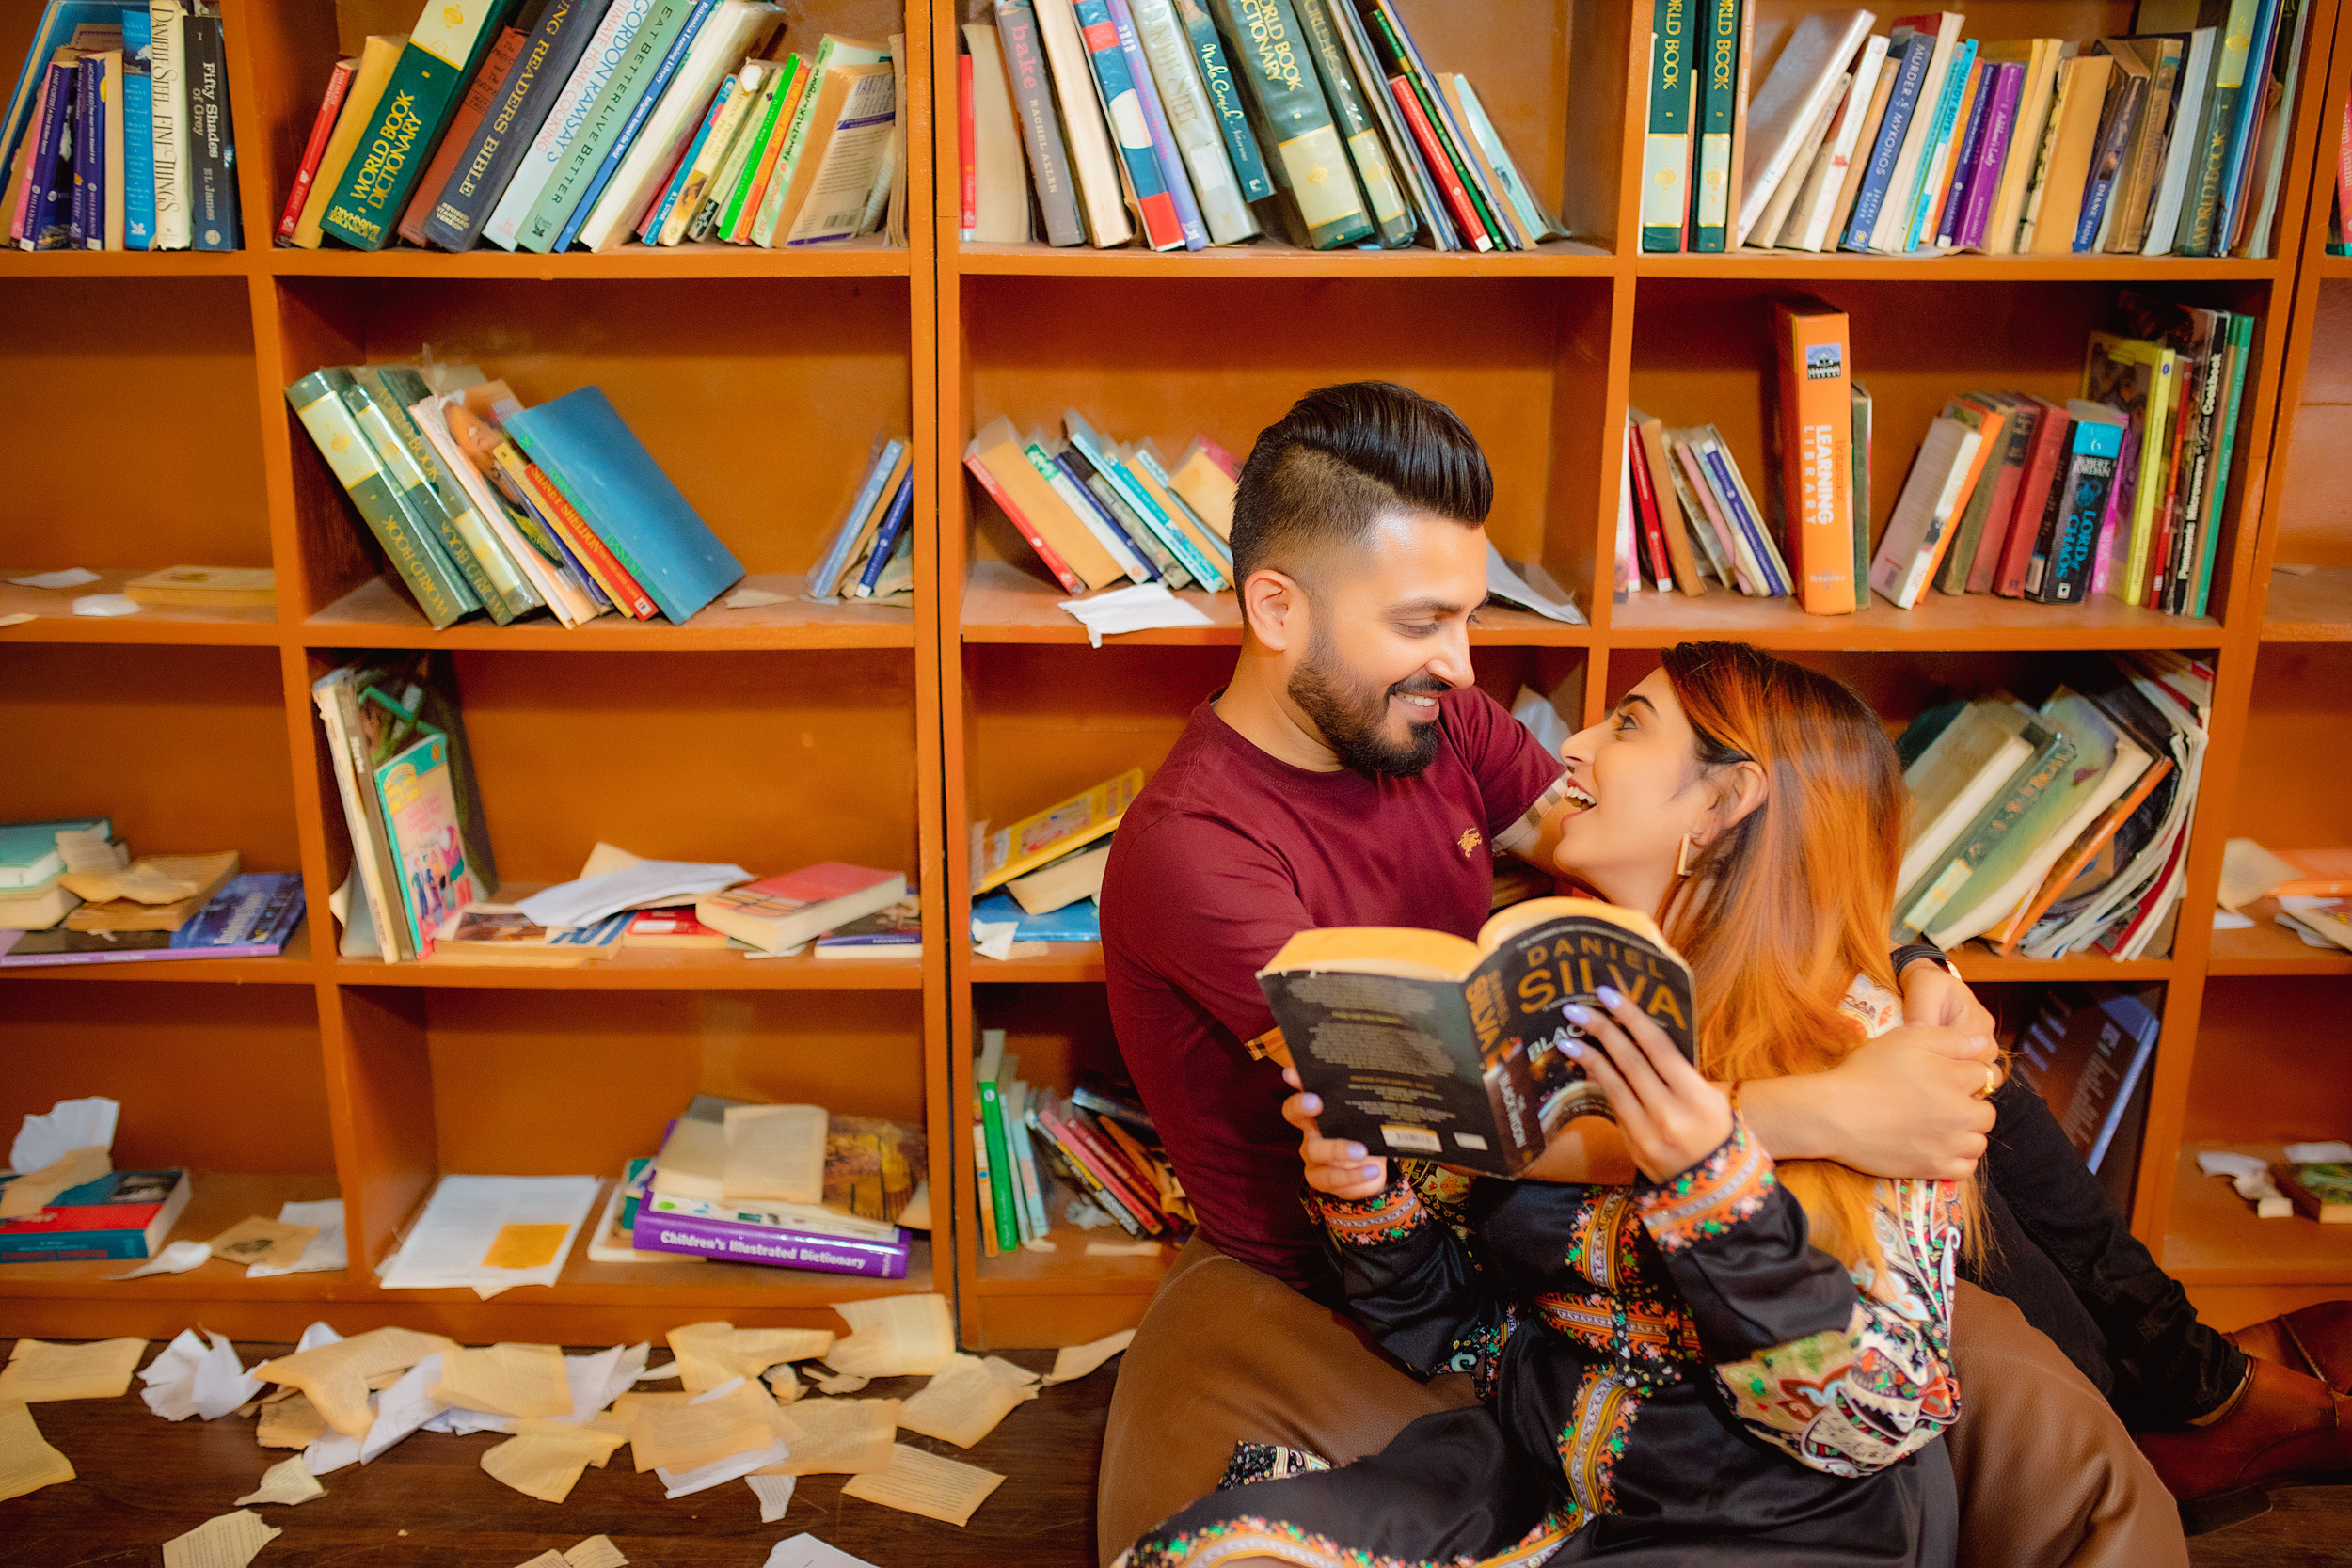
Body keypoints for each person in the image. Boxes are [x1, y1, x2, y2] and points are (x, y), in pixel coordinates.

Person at [1098, 380, 2352, 1540]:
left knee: (1955, 1078)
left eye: (1469, 616)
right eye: (1423, 622)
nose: (1466, 667)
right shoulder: (1198, 852)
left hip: (1565, 1156)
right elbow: (1473, 1120)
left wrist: (1903, 965)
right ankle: (2183, 1401)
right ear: (1278, 608)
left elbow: (1641, 839)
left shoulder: (1429, 711)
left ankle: (2186, 1387)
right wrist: (1821, 1106)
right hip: (1410, 1215)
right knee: (1900, 1120)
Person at [1124, 642, 1967, 1566]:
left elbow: (1873, 1420)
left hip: (1774, 1527)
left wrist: (1715, 1186)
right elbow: (1456, 1330)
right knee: (1205, 1550)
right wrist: (1367, 1197)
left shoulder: (1865, 1048)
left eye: (1629, 726)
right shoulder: (1550, 1008)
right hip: (1539, 1482)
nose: (1574, 746)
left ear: (1724, 802)